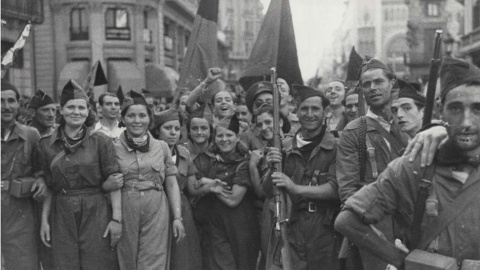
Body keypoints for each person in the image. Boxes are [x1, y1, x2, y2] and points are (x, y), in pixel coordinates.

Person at [335, 56, 480, 269]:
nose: (467, 121)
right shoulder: (414, 164)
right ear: (441, 109)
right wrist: (401, 261)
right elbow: (347, 218)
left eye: (477, 109)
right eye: (456, 108)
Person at [38, 80, 122, 270]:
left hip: (96, 210)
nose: (76, 112)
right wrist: (44, 220)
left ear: (88, 111)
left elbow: (115, 181)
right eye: (71, 107)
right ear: (61, 110)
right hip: (62, 212)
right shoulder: (46, 144)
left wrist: (117, 219)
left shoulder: (100, 141)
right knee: (64, 263)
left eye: (81, 108)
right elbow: (49, 187)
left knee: (97, 263)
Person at [336, 58, 408, 270]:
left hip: (410, 222)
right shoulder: (354, 130)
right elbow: (348, 191)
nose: (372, 88)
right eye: (366, 84)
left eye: (378, 82)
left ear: (392, 82)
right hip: (377, 227)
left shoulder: (406, 124)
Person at [101, 90, 184, 270]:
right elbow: (110, 182)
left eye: (142, 115)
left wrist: (177, 217)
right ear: (122, 119)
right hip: (125, 208)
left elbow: (171, 182)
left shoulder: (161, 147)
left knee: (154, 260)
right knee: (127, 259)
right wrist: (116, 218)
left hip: (156, 209)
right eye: (131, 116)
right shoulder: (112, 147)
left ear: (149, 119)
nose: (137, 121)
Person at [265, 84, 341, 270]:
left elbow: (335, 189)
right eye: (304, 109)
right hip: (292, 223)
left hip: (325, 228)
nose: (309, 114)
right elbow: (267, 191)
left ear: (325, 113)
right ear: (296, 113)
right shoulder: (285, 146)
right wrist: (271, 167)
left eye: (315, 109)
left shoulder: (336, 147)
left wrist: (295, 188)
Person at [203, 115, 260, 270]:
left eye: (229, 135)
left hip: (241, 222)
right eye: (220, 135)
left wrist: (210, 185)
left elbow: (233, 200)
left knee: (243, 264)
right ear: (215, 138)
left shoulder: (243, 163)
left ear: (237, 138)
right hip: (217, 221)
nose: (224, 139)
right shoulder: (214, 160)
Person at [1, 80, 46, 270]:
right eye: (0, 101)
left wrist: (42, 180)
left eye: (11, 101)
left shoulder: (31, 135)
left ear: (19, 104)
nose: (6, 106)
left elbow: (41, 169)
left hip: (20, 216)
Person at [153, 109, 202, 270]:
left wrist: (211, 186)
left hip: (181, 208)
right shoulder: (151, 153)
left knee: (183, 255)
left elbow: (193, 187)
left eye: (176, 128)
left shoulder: (184, 153)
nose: (173, 132)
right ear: (157, 131)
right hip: (157, 206)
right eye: (168, 128)